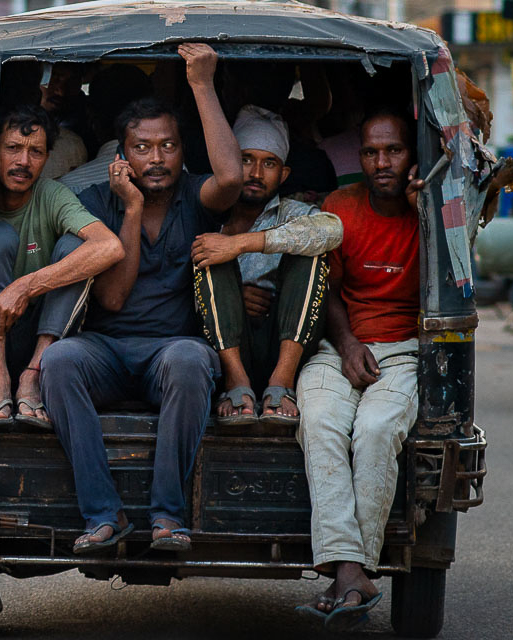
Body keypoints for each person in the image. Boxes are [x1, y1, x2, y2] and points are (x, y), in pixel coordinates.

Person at [41, 43, 241, 555]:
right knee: (60, 361)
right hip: (106, 351)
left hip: (167, 353)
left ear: (181, 150)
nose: (156, 158)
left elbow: (233, 179)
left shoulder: (194, 196)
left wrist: (201, 84)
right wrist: (129, 212)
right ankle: (104, 515)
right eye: (143, 147)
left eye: (168, 146)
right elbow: (112, 298)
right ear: (121, 155)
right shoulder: (96, 203)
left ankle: (167, 515)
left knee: (192, 359)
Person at [293, 108, 428, 631]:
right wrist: (347, 345)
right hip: (340, 344)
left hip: (406, 351)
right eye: (371, 152)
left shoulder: (430, 211)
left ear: (411, 156)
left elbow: (456, 283)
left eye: (392, 151)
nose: (381, 162)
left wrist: (426, 216)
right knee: (322, 422)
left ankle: (349, 572)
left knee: (375, 429)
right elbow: (324, 291)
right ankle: (356, 573)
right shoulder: (340, 205)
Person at [0, 103, 123, 427]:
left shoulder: (51, 194)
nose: (23, 162)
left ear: (47, 157)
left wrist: (25, 286)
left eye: (35, 152)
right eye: (12, 148)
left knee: (76, 247)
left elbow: (109, 246)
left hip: (40, 335)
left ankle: (31, 377)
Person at [191, 105, 344, 425]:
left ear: (283, 174)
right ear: (228, 162)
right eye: (245, 160)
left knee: (311, 254)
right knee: (208, 252)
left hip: (286, 345)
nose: (256, 174)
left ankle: (281, 384)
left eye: (269, 163)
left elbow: (331, 230)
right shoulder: (207, 208)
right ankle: (236, 384)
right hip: (226, 350)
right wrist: (233, 295)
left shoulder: (296, 212)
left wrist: (240, 244)